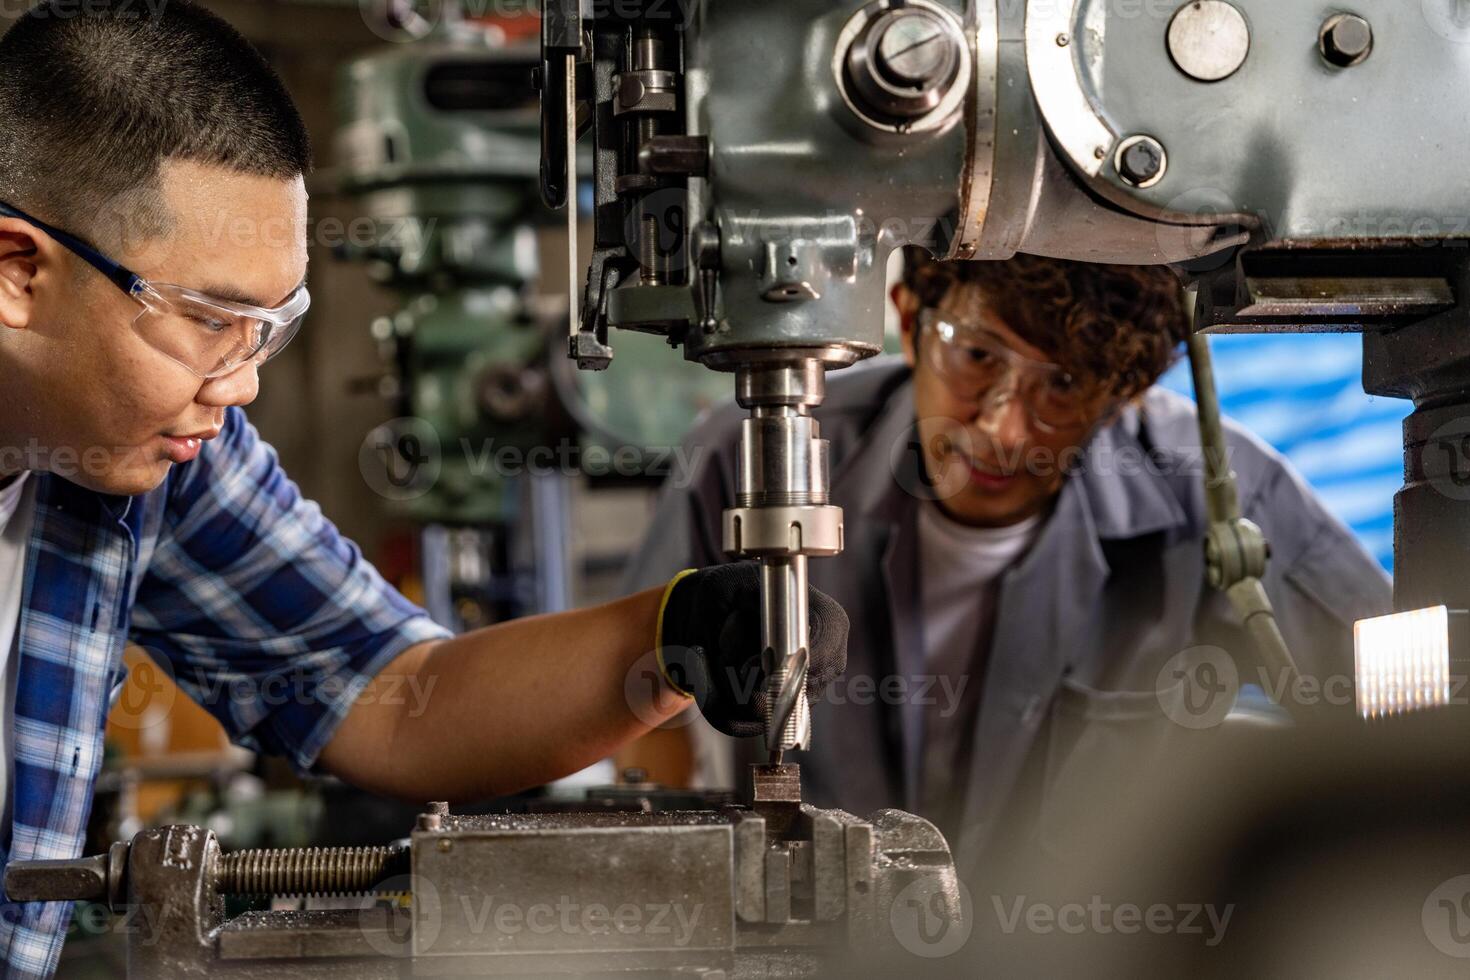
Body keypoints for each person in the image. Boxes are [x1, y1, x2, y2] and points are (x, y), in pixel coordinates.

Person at [0, 4, 846, 974]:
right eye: (211, 321)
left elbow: (392, 694)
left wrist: (674, 633)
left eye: (268, 328)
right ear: (20, 269)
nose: (241, 385)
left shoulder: (150, 464)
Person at [623, 247, 1392, 871]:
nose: (1001, 426)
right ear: (908, 316)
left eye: (1061, 384)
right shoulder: (751, 459)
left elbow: (1399, 716)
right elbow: (639, 702)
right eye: (978, 354)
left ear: (1125, 392)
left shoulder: (1220, 494)